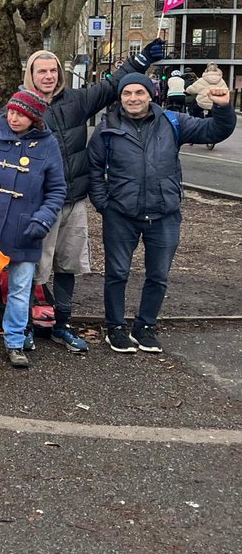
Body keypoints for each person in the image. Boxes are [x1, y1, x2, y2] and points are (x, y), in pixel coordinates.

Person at [19, 39, 164, 352]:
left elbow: (110, 87)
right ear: (31, 74)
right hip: (40, 204)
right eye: (41, 71)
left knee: (68, 265)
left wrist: (140, 60)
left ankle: (62, 324)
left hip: (74, 200)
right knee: (34, 267)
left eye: (53, 70)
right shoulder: (20, 106)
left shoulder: (76, 100)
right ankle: (25, 325)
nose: (48, 76)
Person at [88, 74, 236, 353]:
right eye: (127, 93)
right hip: (120, 213)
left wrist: (223, 108)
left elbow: (213, 131)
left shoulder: (172, 122)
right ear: (120, 98)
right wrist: (103, 204)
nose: (133, 98)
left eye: (139, 93)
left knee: (158, 275)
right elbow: (94, 169)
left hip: (164, 212)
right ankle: (115, 327)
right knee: (117, 273)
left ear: (151, 95)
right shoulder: (107, 127)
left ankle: (145, 326)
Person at [0, 90, 66, 368]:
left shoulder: (49, 145)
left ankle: (15, 341)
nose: (14, 118)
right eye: (11, 112)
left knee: (20, 289)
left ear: (34, 118)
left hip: (27, 228)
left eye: (21, 114)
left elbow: (57, 190)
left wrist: (43, 220)